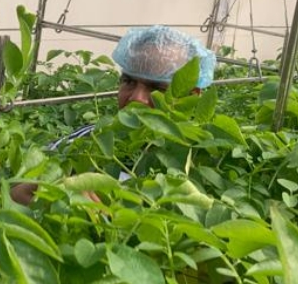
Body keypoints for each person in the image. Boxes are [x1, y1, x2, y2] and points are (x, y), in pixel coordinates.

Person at [11, 25, 215, 203]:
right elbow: (15, 192)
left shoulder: (202, 159)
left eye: (157, 89)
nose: (136, 98)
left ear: (191, 96)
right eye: (129, 81)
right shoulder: (91, 140)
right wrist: (49, 195)